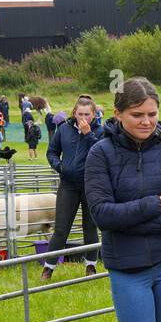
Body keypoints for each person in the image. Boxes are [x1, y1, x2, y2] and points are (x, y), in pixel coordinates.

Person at [84, 77, 161, 322]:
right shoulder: (101, 154)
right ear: (117, 114)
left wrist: (127, 222)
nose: (146, 121)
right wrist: (155, 205)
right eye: (137, 115)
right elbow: (102, 215)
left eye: (152, 114)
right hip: (128, 268)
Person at [41, 94, 104, 281]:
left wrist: (87, 135)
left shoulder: (100, 132)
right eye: (80, 113)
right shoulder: (64, 130)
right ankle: (48, 268)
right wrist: (60, 166)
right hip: (68, 183)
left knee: (90, 227)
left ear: (94, 115)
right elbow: (52, 151)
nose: (83, 117)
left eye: (87, 114)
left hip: (91, 184)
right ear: (74, 113)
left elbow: (102, 153)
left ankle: (91, 266)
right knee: (61, 228)